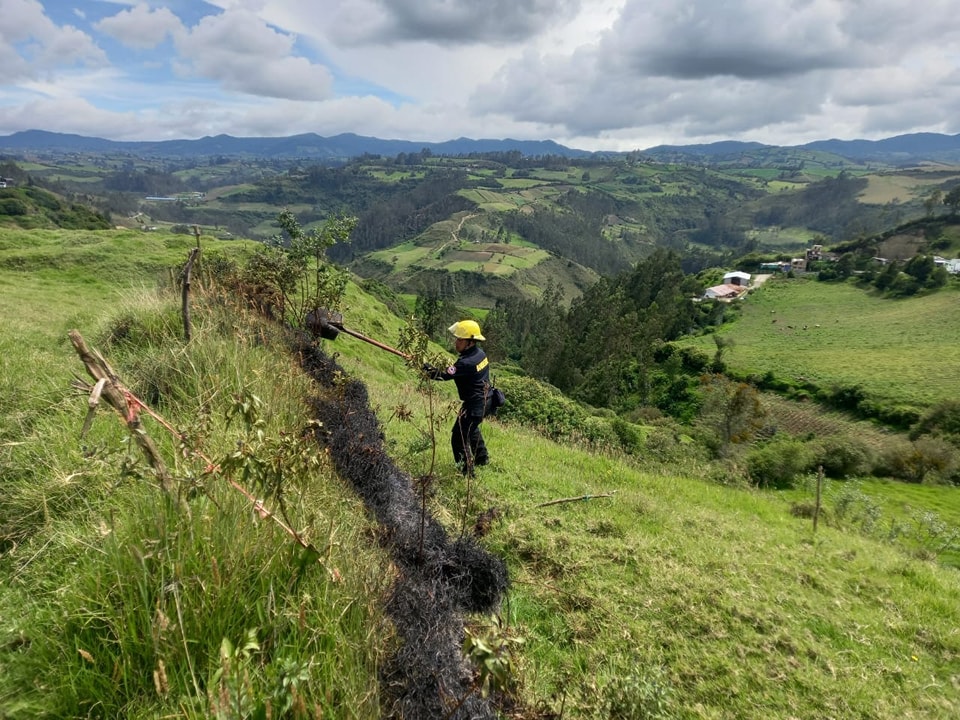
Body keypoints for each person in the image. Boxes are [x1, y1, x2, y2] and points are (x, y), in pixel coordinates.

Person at [422, 320, 491, 475]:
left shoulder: (467, 362)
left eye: (460, 339)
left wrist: (428, 370)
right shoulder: (480, 354)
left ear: (471, 342)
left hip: (474, 405)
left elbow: (443, 375)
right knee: (471, 430)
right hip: (486, 400)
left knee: (459, 437)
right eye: (457, 338)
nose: (456, 342)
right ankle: (482, 458)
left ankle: (467, 473)